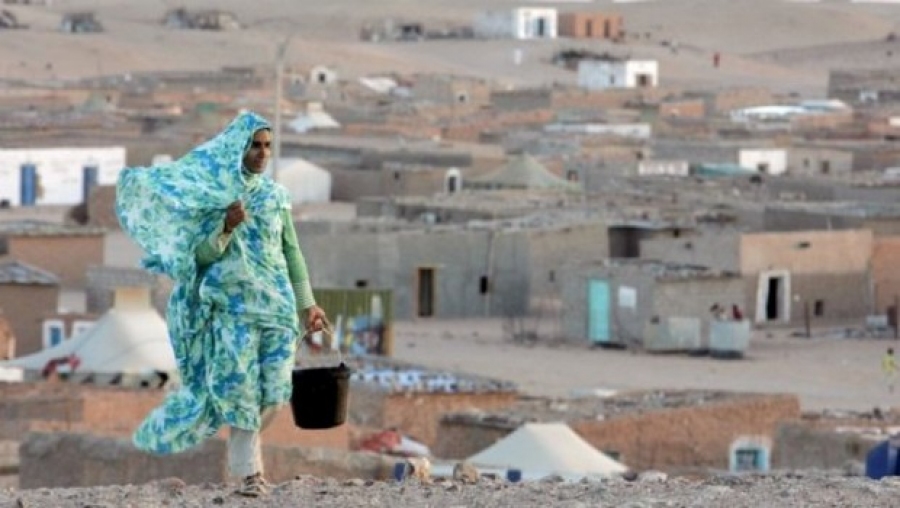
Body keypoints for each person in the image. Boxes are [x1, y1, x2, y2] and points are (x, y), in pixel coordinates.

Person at [116, 111, 326, 497]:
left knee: (275, 392)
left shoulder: (275, 197)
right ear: (237, 149)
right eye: (254, 146)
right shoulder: (214, 199)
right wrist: (226, 226)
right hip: (232, 309)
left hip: (277, 308)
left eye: (267, 146)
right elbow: (198, 257)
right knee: (241, 389)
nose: (262, 153)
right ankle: (250, 473)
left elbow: (292, 252)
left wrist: (307, 305)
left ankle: (244, 447)